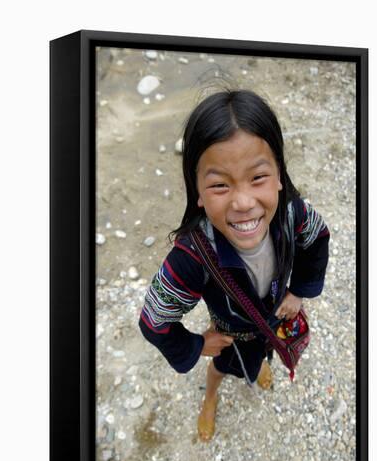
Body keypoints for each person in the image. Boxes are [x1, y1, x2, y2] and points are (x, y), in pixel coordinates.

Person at [139, 89, 330, 442]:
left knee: (259, 358)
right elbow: (154, 320)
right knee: (221, 366)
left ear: (279, 175)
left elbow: (317, 238)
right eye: (219, 185)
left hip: (271, 319)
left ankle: (256, 368)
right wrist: (198, 344)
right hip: (231, 332)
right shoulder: (192, 257)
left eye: (258, 177)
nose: (243, 202)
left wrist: (299, 291)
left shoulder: (292, 212)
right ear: (196, 190)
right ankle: (210, 396)